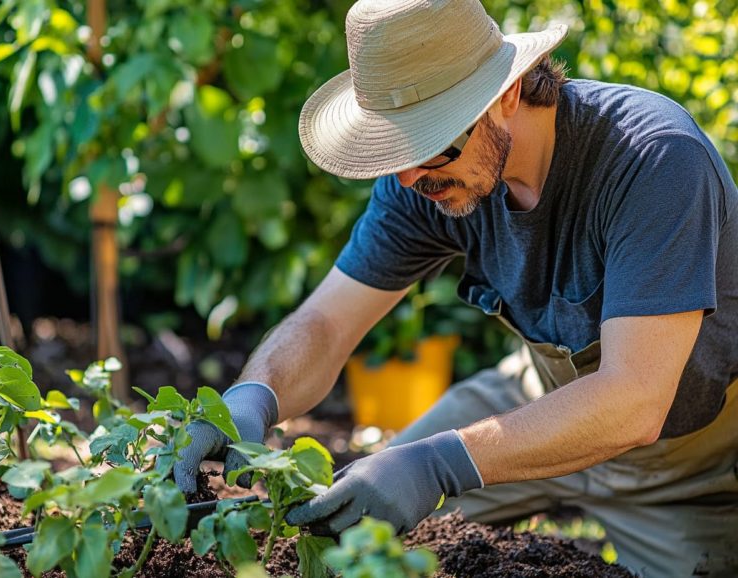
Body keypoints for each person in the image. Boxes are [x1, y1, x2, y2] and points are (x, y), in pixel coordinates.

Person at [174, 0, 738, 576]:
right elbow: (328, 322)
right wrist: (252, 397)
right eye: (395, 150)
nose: (409, 177)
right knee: (353, 536)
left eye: (430, 142)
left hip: (680, 459)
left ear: (508, 95)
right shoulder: (425, 178)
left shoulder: (654, 161)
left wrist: (438, 465)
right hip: (537, 397)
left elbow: (634, 400)